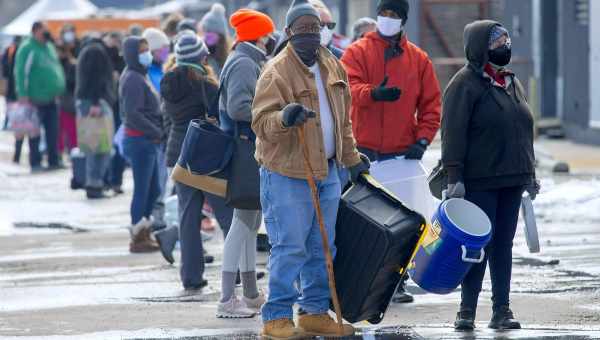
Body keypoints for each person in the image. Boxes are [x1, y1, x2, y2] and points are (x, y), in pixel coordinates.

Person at [252, 0, 370, 337]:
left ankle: (315, 310)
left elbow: (342, 121)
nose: (309, 35)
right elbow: (260, 122)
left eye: (313, 29)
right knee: (290, 245)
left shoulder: (332, 65)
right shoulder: (275, 71)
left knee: (323, 245)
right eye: (301, 30)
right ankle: (276, 316)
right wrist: (284, 117)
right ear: (288, 33)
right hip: (287, 172)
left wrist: (352, 160)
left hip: (328, 170)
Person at [341, 0, 442, 304]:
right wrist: (373, 93)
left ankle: (396, 282)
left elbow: (431, 105)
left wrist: (423, 139)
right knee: (365, 225)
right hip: (365, 157)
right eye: (384, 13)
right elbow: (347, 88)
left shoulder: (419, 59)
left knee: (406, 224)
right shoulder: (357, 51)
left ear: (403, 20)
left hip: (402, 157)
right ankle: (362, 281)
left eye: (394, 15)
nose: (388, 19)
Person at [442, 21, 539, 331]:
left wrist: (530, 173)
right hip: (479, 180)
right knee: (476, 247)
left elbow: (524, 129)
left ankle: (502, 310)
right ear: (480, 47)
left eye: (506, 40)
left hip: (512, 178)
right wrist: (453, 176)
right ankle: (466, 310)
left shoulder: (511, 81)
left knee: (503, 245)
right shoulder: (464, 84)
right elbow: (452, 133)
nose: (504, 46)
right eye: (497, 42)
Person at [154, 32, 233, 289]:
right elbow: (222, 118)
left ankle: (190, 276)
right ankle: (240, 271)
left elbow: (168, 119)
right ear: (200, 56)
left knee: (188, 217)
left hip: (179, 155)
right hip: (205, 157)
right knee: (227, 216)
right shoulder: (206, 85)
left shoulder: (167, 82)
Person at [215, 8, 276, 319]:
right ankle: (227, 299)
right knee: (241, 223)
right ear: (258, 36)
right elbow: (240, 108)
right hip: (244, 150)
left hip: (246, 149)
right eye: (267, 34)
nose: (270, 39)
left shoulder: (244, 59)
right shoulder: (243, 63)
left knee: (250, 222)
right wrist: (270, 116)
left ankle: (250, 293)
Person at [119, 36, 163, 253]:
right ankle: (138, 235)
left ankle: (144, 230)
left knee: (153, 190)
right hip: (140, 140)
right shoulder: (133, 79)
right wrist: (156, 132)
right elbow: (133, 114)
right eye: (142, 51)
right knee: (143, 190)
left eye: (147, 49)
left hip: (146, 140)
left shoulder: (139, 75)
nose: (147, 54)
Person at [14, 21, 66, 172]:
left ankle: (53, 160)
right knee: (34, 131)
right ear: (35, 31)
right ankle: (35, 162)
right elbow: (21, 72)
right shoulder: (27, 48)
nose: (46, 34)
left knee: (53, 131)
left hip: (52, 97)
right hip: (34, 98)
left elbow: (56, 67)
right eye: (44, 32)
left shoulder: (49, 47)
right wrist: (22, 93)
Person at [75, 38, 116, 199]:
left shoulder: (86, 51)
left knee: (93, 144)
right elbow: (95, 78)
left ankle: (94, 182)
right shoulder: (96, 52)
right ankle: (94, 183)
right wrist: (96, 102)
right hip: (95, 103)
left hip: (88, 102)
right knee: (99, 145)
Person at [142, 27, 171, 229]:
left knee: (162, 177)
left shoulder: (161, 70)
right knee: (156, 179)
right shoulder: (148, 73)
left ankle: (157, 217)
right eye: (162, 50)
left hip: (162, 132)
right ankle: (154, 218)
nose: (166, 53)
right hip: (153, 133)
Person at [2, 36, 23, 163]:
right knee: (20, 126)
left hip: (14, 93)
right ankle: (17, 155)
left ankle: (17, 155)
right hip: (18, 94)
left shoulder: (10, 51)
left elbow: (5, 72)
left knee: (19, 126)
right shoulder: (18, 51)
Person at [56, 44, 78, 159]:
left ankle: (73, 153)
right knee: (60, 130)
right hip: (61, 101)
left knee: (71, 129)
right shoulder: (56, 64)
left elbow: (72, 84)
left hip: (69, 102)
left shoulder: (72, 65)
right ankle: (60, 152)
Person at [200, 3, 231, 77]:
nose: (207, 35)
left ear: (221, 35)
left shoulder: (229, 56)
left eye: (210, 32)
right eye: (205, 31)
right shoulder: (200, 53)